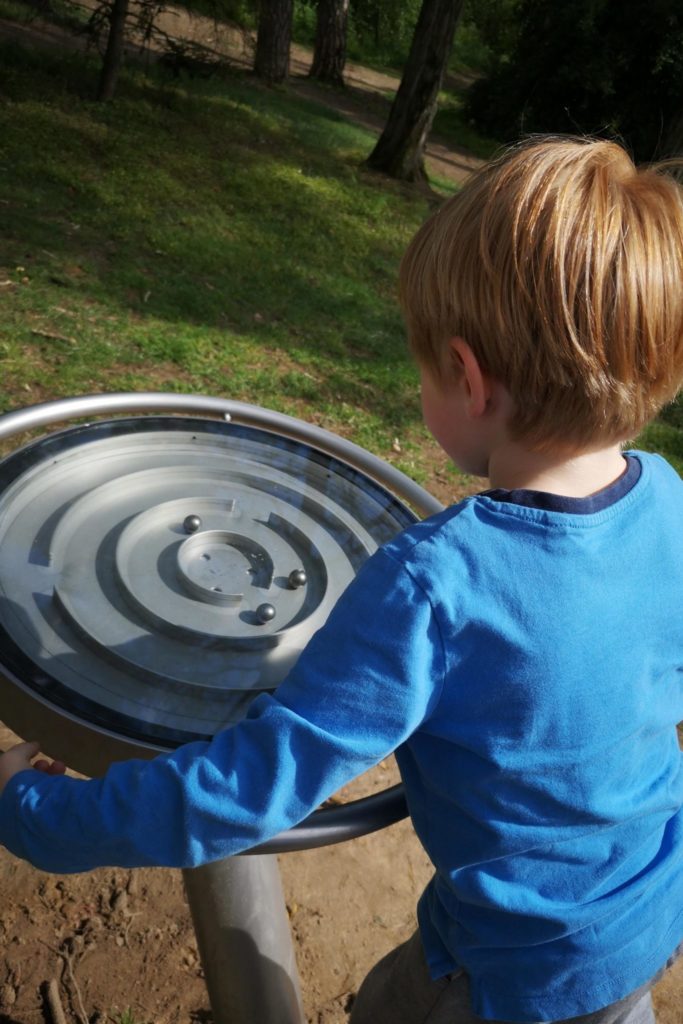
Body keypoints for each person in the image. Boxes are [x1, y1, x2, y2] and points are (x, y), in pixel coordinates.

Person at [1, 136, 683, 1024]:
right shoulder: (664, 499)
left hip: (509, 976)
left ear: (468, 378)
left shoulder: (438, 585)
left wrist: (36, 810)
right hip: (633, 920)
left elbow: (247, 792)